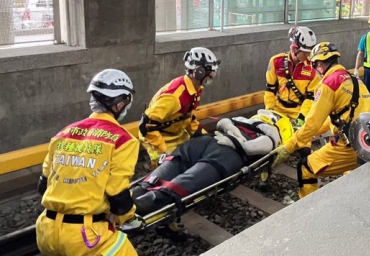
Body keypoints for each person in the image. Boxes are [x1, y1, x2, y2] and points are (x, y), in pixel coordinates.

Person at [35, 69, 151, 256]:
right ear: (119, 103)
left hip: (47, 231)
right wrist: (129, 219)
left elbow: (43, 186)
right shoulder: (122, 140)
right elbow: (117, 194)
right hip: (87, 237)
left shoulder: (63, 134)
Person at [131, 110, 293, 215]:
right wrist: (232, 132)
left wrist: (235, 140)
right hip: (225, 149)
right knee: (188, 165)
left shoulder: (267, 129)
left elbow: (262, 145)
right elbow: (266, 145)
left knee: (184, 163)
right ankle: (147, 194)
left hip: (223, 145)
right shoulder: (271, 130)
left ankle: (147, 195)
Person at [271, 42, 370, 198]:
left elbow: (312, 122)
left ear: (319, 65)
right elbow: (338, 118)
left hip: (351, 148)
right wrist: (310, 132)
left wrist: (288, 148)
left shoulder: (328, 84)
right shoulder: (354, 79)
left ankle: (308, 210)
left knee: (305, 167)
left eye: (314, 66)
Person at [139, 47, 221, 168]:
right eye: (210, 71)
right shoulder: (174, 97)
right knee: (168, 169)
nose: (212, 75)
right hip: (158, 137)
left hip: (177, 133)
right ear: (199, 72)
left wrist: (203, 136)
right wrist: (164, 150)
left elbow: (187, 116)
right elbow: (146, 126)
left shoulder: (194, 89)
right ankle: (154, 171)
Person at [264, 26, 321, 126]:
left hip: (298, 113)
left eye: (310, 52)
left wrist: (302, 116)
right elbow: (270, 90)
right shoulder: (275, 62)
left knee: (301, 141)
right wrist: (269, 110)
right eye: (305, 53)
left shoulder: (313, 69)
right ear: (295, 48)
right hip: (277, 111)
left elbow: (310, 98)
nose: (309, 56)